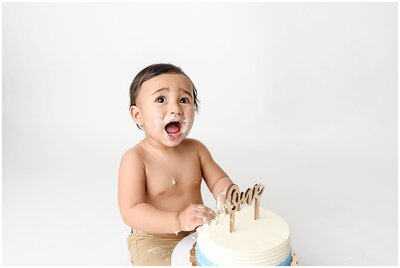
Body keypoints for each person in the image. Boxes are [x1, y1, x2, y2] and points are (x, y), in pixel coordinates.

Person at [118, 63, 233, 266]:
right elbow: (131, 211)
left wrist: (226, 193)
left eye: (184, 100)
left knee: (227, 258)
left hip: (198, 231)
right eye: (161, 99)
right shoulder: (135, 159)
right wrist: (178, 220)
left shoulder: (196, 149)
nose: (175, 109)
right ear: (138, 115)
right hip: (154, 240)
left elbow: (219, 180)